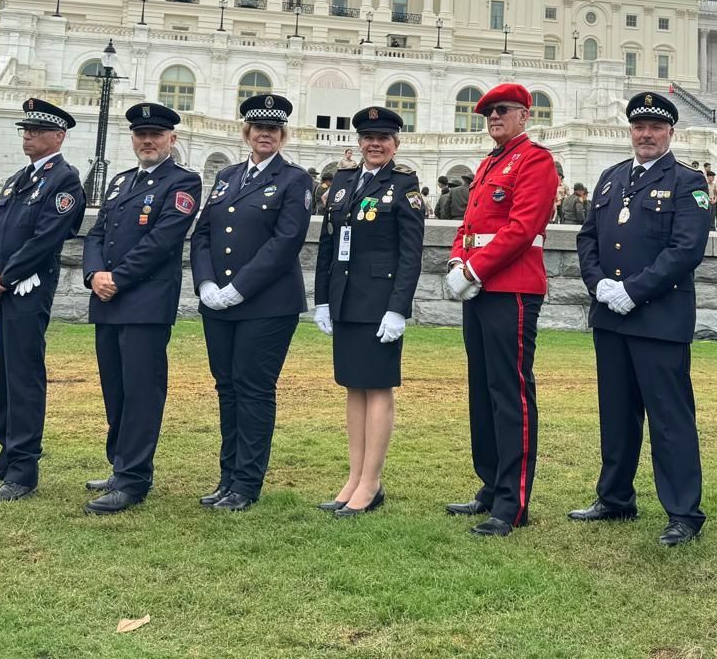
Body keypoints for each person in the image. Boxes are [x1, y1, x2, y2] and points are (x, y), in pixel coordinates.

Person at [570, 92, 709, 546]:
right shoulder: (611, 178)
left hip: (659, 318)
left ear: (670, 132)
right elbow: (588, 237)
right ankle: (615, 498)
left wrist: (635, 289)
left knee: (669, 417)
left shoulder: (689, 181)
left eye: (655, 127)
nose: (645, 135)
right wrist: (600, 286)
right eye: (638, 127)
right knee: (616, 413)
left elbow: (685, 249)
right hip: (611, 316)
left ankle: (684, 512)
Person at [443, 83, 560, 536]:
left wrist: (473, 271)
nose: (494, 117)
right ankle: (491, 486)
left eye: (503, 110)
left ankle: (513, 502)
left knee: (511, 394)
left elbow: (522, 227)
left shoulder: (535, 160)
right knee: (484, 389)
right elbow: (470, 226)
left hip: (510, 290)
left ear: (524, 116)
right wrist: (458, 259)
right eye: (489, 112)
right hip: (481, 288)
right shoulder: (490, 161)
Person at [190, 93, 313, 512]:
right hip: (218, 303)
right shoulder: (226, 176)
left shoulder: (296, 179)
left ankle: (246, 483)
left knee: (253, 388)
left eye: (274, 130)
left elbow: (286, 241)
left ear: (282, 136)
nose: (266, 135)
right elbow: (203, 232)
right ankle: (227, 477)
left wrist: (240, 287)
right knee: (226, 388)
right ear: (247, 133)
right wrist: (205, 283)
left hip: (266, 304)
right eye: (259, 128)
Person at [80, 102, 202, 514]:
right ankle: (120, 464)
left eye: (156, 135)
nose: (147, 141)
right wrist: (95, 273)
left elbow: (163, 239)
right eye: (140, 134)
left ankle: (134, 478)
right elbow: (96, 233)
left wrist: (117, 278)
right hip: (108, 300)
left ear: (172, 139)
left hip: (145, 302)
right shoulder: (119, 182)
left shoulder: (183, 182)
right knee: (115, 389)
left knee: (142, 391)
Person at [0, 98, 87, 502]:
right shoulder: (18, 178)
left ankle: (24, 469)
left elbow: (46, 239)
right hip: (1, 289)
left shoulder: (64, 180)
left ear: (59, 135)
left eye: (37, 130)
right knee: (3, 373)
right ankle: (6, 451)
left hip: (28, 289)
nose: (28, 135)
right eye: (25, 129)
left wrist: (7, 277)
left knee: (24, 376)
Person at [313, 106, 424, 516]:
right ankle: (354, 476)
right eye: (368, 138)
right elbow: (328, 244)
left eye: (383, 139)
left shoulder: (404, 185)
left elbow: (411, 255)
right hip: (344, 299)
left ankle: (371, 482)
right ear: (358, 142)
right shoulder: (342, 183)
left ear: (395, 144)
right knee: (353, 387)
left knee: (377, 388)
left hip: (379, 304)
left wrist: (399, 309)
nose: (374, 145)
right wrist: (322, 298)